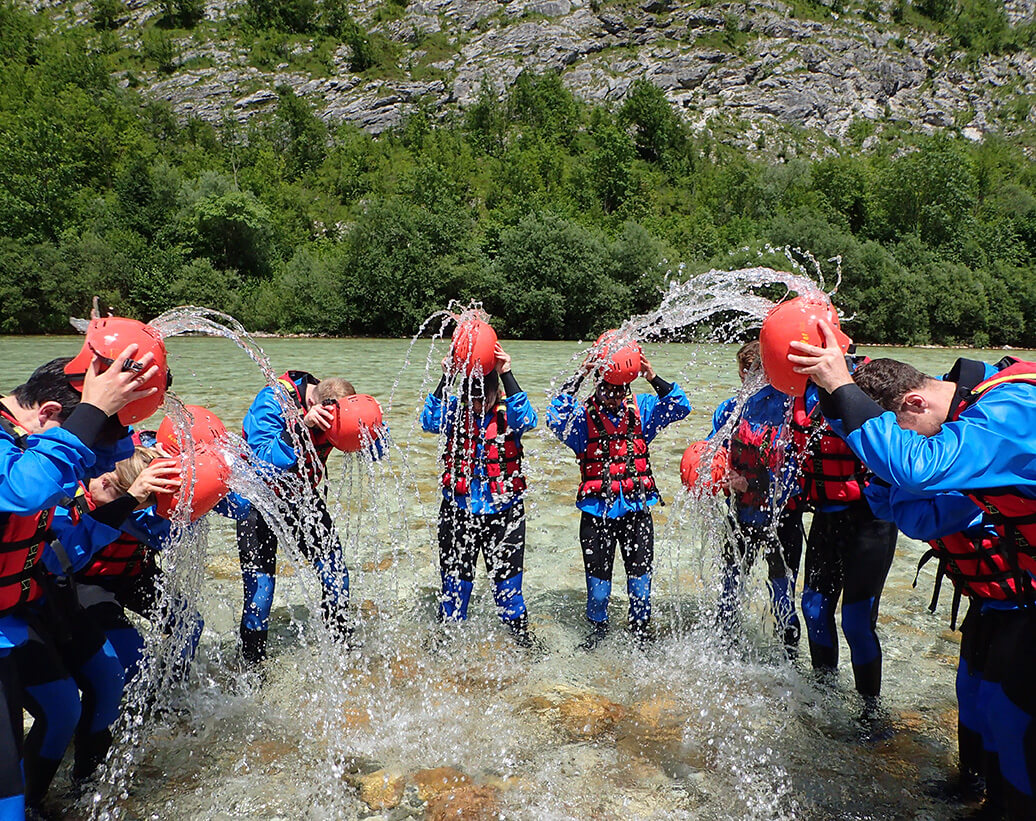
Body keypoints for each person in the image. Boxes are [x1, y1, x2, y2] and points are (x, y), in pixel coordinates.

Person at [789, 330, 1036, 819]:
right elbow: (919, 509)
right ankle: (984, 797)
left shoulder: (1011, 409)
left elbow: (919, 475)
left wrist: (841, 382)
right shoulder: (964, 417)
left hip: (1025, 599)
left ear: (917, 402)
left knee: (1011, 718)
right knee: (977, 695)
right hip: (1002, 599)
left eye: (902, 432)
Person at [0, 349, 160, 816]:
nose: (94, 467)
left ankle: (48, 802)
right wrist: (91, 411)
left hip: (19, 613)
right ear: (49, 415)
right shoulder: (24, 466)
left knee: (65, 707)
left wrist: (131, 497)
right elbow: (25, 490)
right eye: (84, 431)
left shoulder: (34, 448)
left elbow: (64, 545)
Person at [548, 343, 690, 648]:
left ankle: (641, 634)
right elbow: (553, 414)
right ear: (597, 386)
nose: (613, 397)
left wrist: (651, 375)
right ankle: (598, 634)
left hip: (637, 513)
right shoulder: (580, 419)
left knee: (640, 588)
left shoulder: (642, 411)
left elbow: (680, 406)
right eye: (606, 390)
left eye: (619, 391)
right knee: (599, 592)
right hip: (596, 515)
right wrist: (582, 373)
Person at [784, 350, 898, 709]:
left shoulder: (862, 387)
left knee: (856, 621)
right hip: (826, 516)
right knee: (814, 609)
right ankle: (825, 694)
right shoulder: (795, 394)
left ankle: (869, 709)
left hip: (870, 521)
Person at [419, 343, 538, 646]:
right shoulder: (454, 416)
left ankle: (522, 645)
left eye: (484, 396)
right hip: (458, 512)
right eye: (471, 397)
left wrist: (506, 374)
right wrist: (446, 377)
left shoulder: (510, 415)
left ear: (496, 393)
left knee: (508, 595)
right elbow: (428, 421)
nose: (477, 403)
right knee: (454, 596)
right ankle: (446, 650)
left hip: (505, 514)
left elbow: (530, 419)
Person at [236, 371, 357, 665]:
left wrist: (368, 428)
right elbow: (263, 460)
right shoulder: (273, 400)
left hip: (301, 497)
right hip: (259, 501)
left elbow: (374, 446)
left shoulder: (336, 406)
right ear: (315, 401)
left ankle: (342, 655)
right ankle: (250, 670)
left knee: (335, 573)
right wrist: (301, 427)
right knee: (261, 594)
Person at [710, 341, 801, 650]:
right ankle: (730, 649)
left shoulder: (791, 409)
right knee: (732, 586)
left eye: (753, 371)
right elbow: (713, 454)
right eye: (747, 371)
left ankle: (785, 652)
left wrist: (752, 484)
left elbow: (796, 474)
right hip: (740, 514)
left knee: (780, 592)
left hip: (778, 517)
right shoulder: (729, 409)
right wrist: (715, 474)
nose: (746, 376)